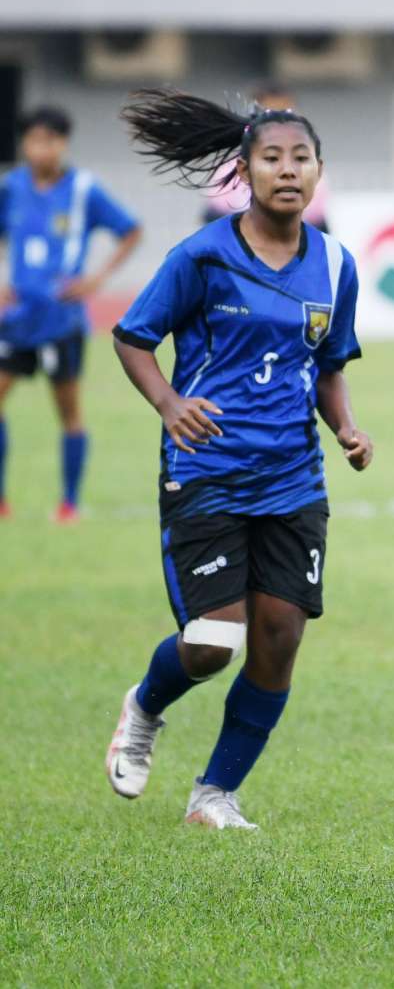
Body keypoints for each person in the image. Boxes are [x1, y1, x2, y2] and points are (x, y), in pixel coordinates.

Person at [103, 89, 372, 830]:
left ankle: (214, 794)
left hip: (294, 478)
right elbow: (132, 337)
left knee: (280, 636)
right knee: (213, 643)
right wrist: (169, 404)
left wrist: (347, 428)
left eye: (301, 158)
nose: (287, 170)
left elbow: (328, 366)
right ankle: (144, 707)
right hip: (206, 472)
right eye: (271, 158)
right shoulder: (202, 256)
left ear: (319, 171)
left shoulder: (336, 264)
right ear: (244, 172)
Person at [0, 104, 141, 520]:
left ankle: (69, 502)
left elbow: (130, 231)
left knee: (68, 411)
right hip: (17, 318)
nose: (40, 149)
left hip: (62, 319)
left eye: (49, 140)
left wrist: (97, 279)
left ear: (63, 144)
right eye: (33, 140)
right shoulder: (12, 187)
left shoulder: (83, 190)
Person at [202, 85, 330, 231]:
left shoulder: (313, 181)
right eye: (271, 159)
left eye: (288, 114)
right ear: (244, 170)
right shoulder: (227, 178)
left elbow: (320, 230)